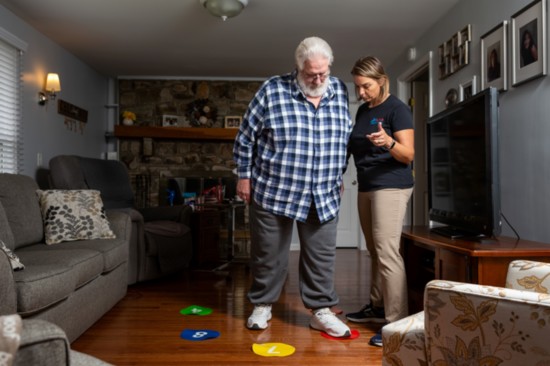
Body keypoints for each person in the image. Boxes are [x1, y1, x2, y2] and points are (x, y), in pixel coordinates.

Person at [233, 36, 353, 338]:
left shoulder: (338, 89)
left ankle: (321, 311)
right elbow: (245, 137)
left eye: (323, 73)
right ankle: (262, 304)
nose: (318, 79)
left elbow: (341, 138)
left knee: (321, 255)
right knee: (269, 254)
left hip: (322, 191)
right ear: (298, 67)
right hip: (275, 189)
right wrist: (244, 177)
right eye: (311, 73)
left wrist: (338, 174)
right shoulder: (272, 90)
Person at [345, 56, 415, 347]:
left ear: (382, 80)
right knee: (374, 250)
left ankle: (396, 324)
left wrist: (389, 143)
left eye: (366, 86)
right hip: (366, 185)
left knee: (387, 252)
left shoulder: (398, 110)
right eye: (358, 86)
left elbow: (408, 155)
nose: (361, 92)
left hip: (392, 186)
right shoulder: (363, 110)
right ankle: (376, 306)